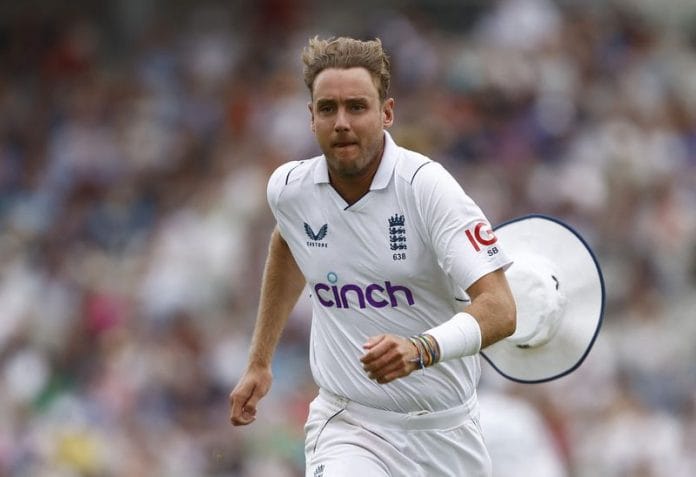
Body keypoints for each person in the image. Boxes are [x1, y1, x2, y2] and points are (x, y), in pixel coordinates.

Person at [229, 36, 516, 477]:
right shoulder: (289, 190)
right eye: (328, 109)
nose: (341, 122)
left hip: (447, 432)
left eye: (357, 107)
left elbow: (500, 308)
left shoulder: (426, 188)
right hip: (349, 425)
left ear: (387, 113)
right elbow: (288, 243)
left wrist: (421, 349)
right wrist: (259, 361)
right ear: (311, 117)